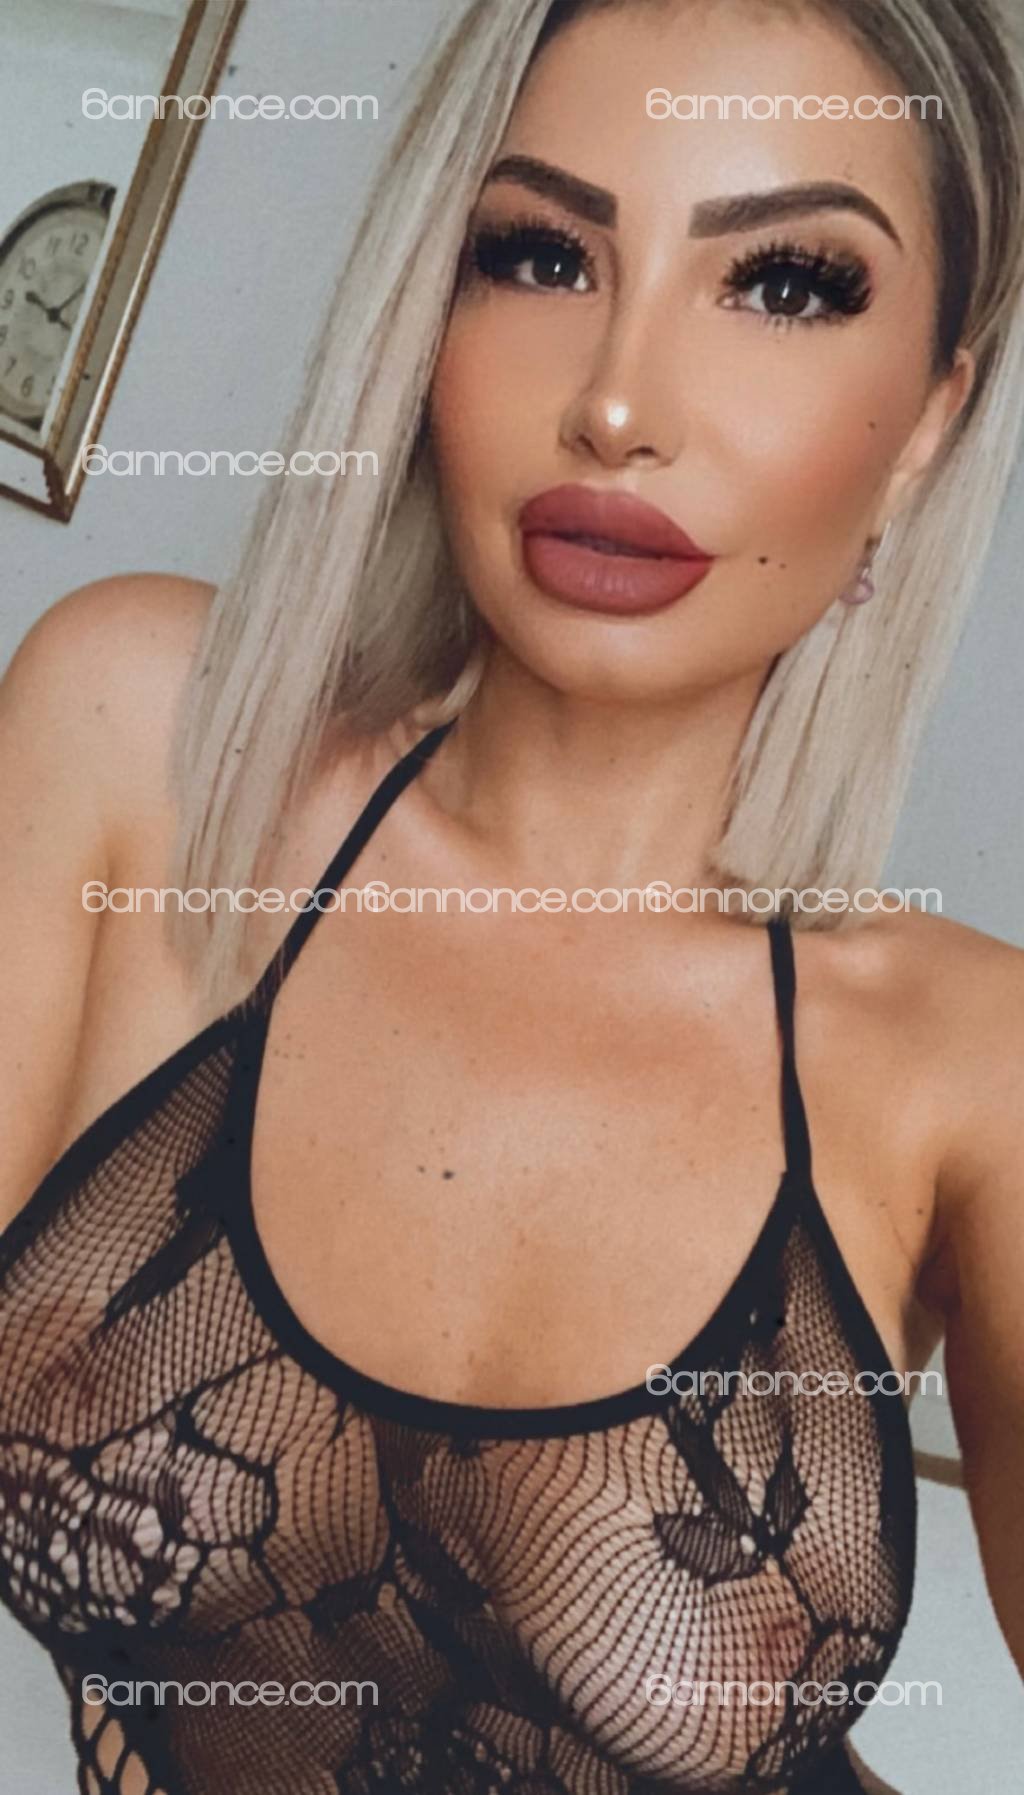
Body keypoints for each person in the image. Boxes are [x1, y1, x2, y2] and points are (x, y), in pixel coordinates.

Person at [0, 1, 1022, 1791]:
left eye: (784, 284)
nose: (618, 403)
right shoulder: (144, 742)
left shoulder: (968, 1065)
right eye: (541, 254)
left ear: (936, 409)